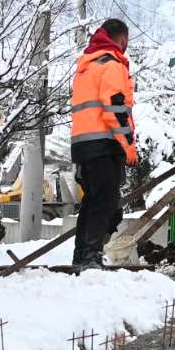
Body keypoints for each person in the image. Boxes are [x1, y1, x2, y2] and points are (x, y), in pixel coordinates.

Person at [69, 18, 137, 269]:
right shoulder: (112, 64)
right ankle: (90, 256)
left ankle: (82, 255)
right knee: (105, 203)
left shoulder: (86, 66)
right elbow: (116, 107)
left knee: (92, 201)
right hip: (104, 144)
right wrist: (128, 145)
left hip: (83, 145)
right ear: (122, 39)